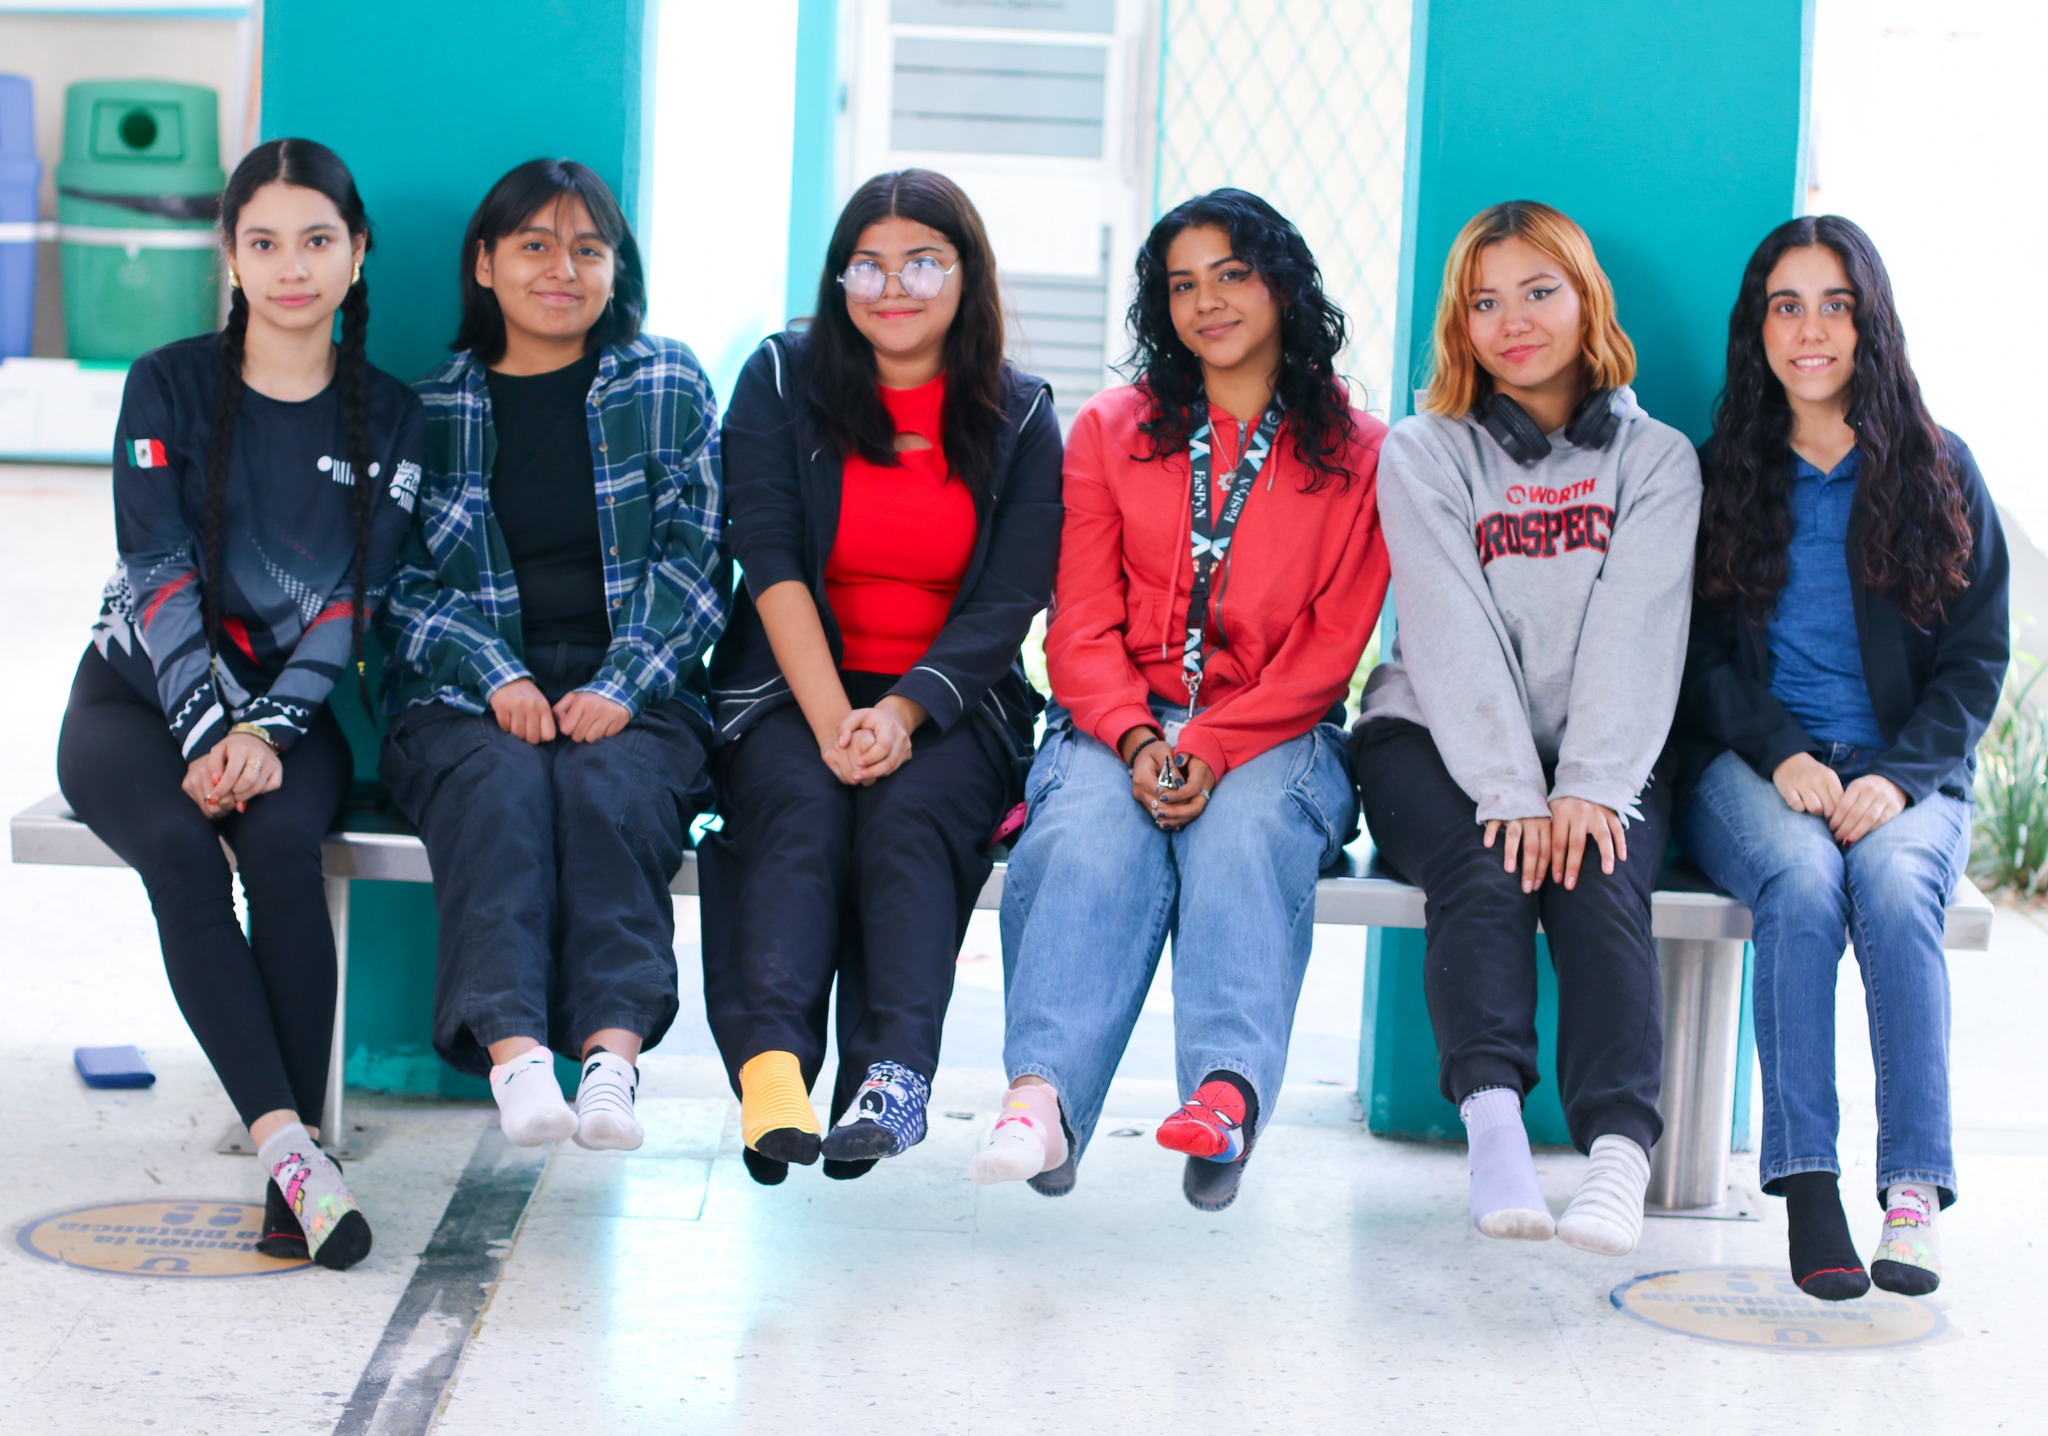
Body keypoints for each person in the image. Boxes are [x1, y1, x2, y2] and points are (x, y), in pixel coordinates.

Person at [972, 189, 1385, 1212]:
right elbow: (1077, 626)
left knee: (1242, 833)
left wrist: (1212, 741)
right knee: (1085, 834)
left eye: (1232, 275)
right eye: (1182, 284)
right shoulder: (1111, 430)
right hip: (1115, 721)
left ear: (1283, 286)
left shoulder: (1363, 451)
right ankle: (1040, 1100)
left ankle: (1225, 1096)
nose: (1207, 302)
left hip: (1276, 729)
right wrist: (1132, 735)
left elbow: (1329, 652)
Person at [57, 139, 421, 1269]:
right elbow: (155, 569)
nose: (291, 267)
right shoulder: (166, 383)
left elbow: (352, 606)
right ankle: (293, 1153)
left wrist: (264, 730)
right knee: (180, 853)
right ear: (230, 254)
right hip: (134, 702)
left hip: (290, 719)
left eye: (316, 241)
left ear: (357, 254)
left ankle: (287, 1175)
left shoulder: (391, 416)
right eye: (263, 242)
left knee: (280, 856)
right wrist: (209, 731)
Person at [1350, 200, 1701, 1255]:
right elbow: (1448, 630)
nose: (1512, 322)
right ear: (1459, 325)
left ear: (1585, 300)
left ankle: (1616, 1158)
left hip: (1607, 745)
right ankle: (1494, 1131)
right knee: (1484, 863)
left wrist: (1586, 785)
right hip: (1432, 736)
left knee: (1599, 867)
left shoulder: (1655, 459)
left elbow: (1635, 633)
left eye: (1538, 292)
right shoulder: (1423, 450)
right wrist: (1510, 790)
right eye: (1483, 302)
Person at [700, 169, 1062, 1184]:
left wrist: (902, 712)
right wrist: (833, 719)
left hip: (952, 698)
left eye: (921, 263)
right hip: (790, 685)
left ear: (966, 274)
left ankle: (889, 1079)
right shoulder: (781, 378)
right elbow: (768, 556)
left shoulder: (1022, 414)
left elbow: (1009, 599)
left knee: (909, 820)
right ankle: (772, 1076)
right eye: (867, 265)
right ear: (838, 277)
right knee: (799, 810)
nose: (892, 287)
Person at [1674, 215, 2005, 1300]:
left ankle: (1911, 1191)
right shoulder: (1723, 473)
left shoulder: (1938, 467)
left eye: (1834, 305)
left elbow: (1976, 658)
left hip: (1901, 771)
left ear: (1870, 323)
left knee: (1897, 887)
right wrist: (1779, 753)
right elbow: (1692, 655)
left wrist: (1897, 778)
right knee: (1803, 878)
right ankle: (1808, 1186)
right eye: (1787, 306)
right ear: (1758, 328)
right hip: (1754, 768)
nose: (1810, 330)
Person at [380, 159, 723, 1153]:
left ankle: (611, 1064)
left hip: (640, 681)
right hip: (462, 691)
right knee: (498, 789)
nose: (561, 269)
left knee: (609, 788)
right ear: (485, 264)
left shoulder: (666, 383)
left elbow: (699, 560)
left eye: (587, 248)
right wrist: (498, 676)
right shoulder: (427, 409)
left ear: (617, 269)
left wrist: (622, 684)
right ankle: (520, 1059)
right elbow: (397, 583)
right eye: (534, 245)